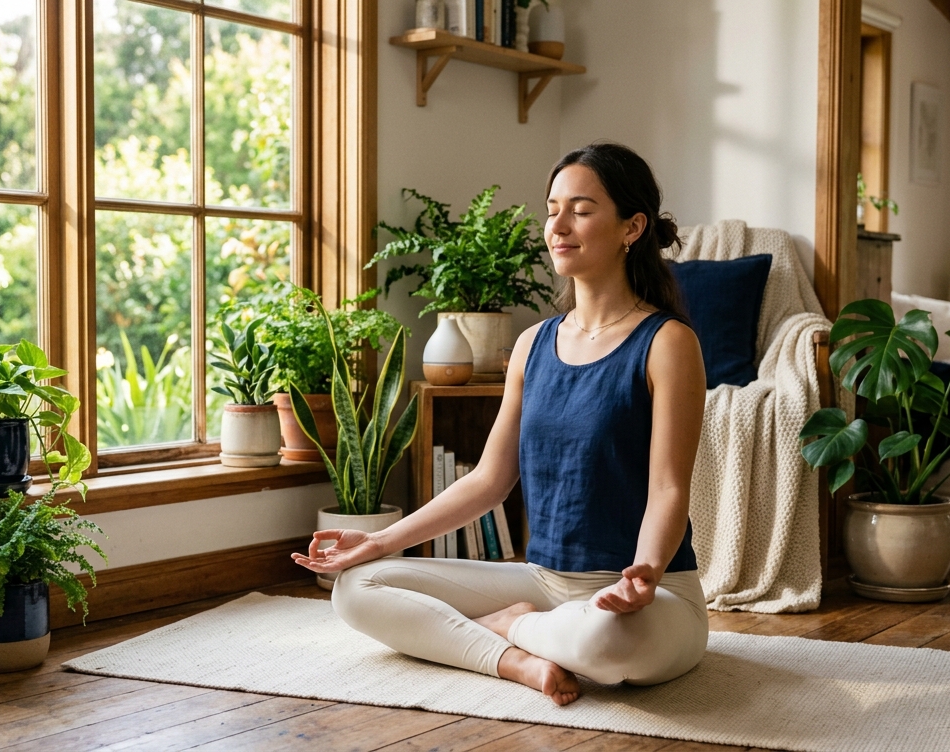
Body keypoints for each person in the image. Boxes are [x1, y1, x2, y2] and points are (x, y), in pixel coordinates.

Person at [291, 142, 708, 706]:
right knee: (358, 587)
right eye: (551, 208)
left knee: (607, 643)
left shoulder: (667, 343)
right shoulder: (532, 345)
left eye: (581, 210)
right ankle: (514, 657)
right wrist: (378, 541)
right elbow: (489, 480)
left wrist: (647, 573)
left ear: (632, 227)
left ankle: (512, 625)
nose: (557, 225)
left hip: (651, 600)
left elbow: (669, 487)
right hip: (544, 582)